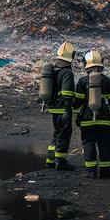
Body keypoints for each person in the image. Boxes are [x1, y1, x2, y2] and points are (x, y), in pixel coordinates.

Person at [71, 50, 110, 178]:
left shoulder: (82, 81)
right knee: (105, 144)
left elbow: (77, 102)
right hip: (105, 119)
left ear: (86, 65)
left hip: (87, 119)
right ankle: (105, 171)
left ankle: (91, 171)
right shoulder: (107, 81)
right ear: (101, 64)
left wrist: (76, 116)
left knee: (88, 143)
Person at [45, 42, 77, 171]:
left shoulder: (54, 69)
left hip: (54, 107)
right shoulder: (66, 72)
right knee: (64, 133)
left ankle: (50, 160)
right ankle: (60, 161)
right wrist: (67, 110)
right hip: (63, 108)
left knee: (57, 133)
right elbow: (67, 93)